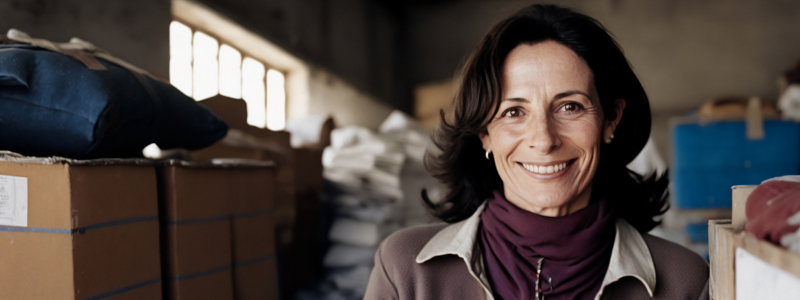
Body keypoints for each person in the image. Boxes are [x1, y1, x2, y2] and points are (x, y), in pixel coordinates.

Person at [364, 4, 709, 300]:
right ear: (484, 134)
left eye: (570, 107)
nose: (543, 140)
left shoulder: (684, 283)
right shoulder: (406, 272)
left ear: (610, 120)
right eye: (514, 112)